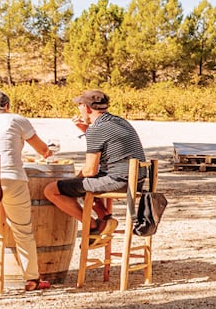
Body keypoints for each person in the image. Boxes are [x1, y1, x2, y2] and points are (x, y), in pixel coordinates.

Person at [43, 90, 145, 241]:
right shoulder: (119, 121)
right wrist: (86, 130)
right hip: (136, 181)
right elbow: (107, 142)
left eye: (79, 106)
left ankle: (92, 225)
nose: (78, 109)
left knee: (51, 190)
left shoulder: (97, 129)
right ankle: (105, 217)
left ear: (87, 108)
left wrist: (73, 182)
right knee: (87, 184)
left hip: (119, 182)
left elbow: (90, 170)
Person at [0, 91, 55, 291]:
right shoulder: (16, 120)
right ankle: (32, 278)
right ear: (7, 106)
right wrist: (48, 152)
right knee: (22, 229)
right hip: (12, 178)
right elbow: (42, 149)